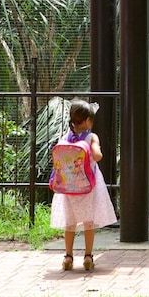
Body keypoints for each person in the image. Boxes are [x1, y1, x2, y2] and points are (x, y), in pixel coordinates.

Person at [51, 99, 117, 271]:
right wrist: (96, 149)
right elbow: (97, 156)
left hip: (68, 187)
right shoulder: (91, 137)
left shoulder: (65, 137)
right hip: (88, 186)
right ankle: (88, 256)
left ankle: (68, 257)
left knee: (69, 222)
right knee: (89, 221)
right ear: (88, 121)